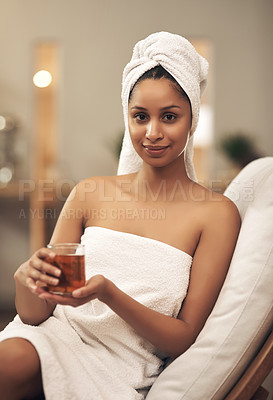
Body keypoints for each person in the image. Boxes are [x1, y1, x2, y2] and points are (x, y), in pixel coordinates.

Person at [0, 32, 241, 400]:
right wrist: (25, 281)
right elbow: (37, 314)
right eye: (140, 116)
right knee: (10, 359)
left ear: (192, 120)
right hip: (51, 336)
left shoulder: (216, 215)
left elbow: (184, 338)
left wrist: (108, 293)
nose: (153, 133)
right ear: (127, 117)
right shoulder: (90, 193)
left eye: (170, 117)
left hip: (120, 366)